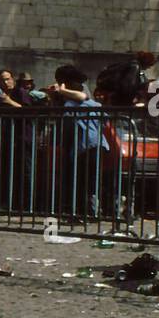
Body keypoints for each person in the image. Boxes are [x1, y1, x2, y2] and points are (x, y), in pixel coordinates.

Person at [49, 64, 109, 220]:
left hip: (89, 144)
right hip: (86, 144)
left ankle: (88, 211)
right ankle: (85, 211)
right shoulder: (73, 102)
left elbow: (83, 97)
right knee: (84, 179)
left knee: (86, 180)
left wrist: (61, 90)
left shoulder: (80, 100)